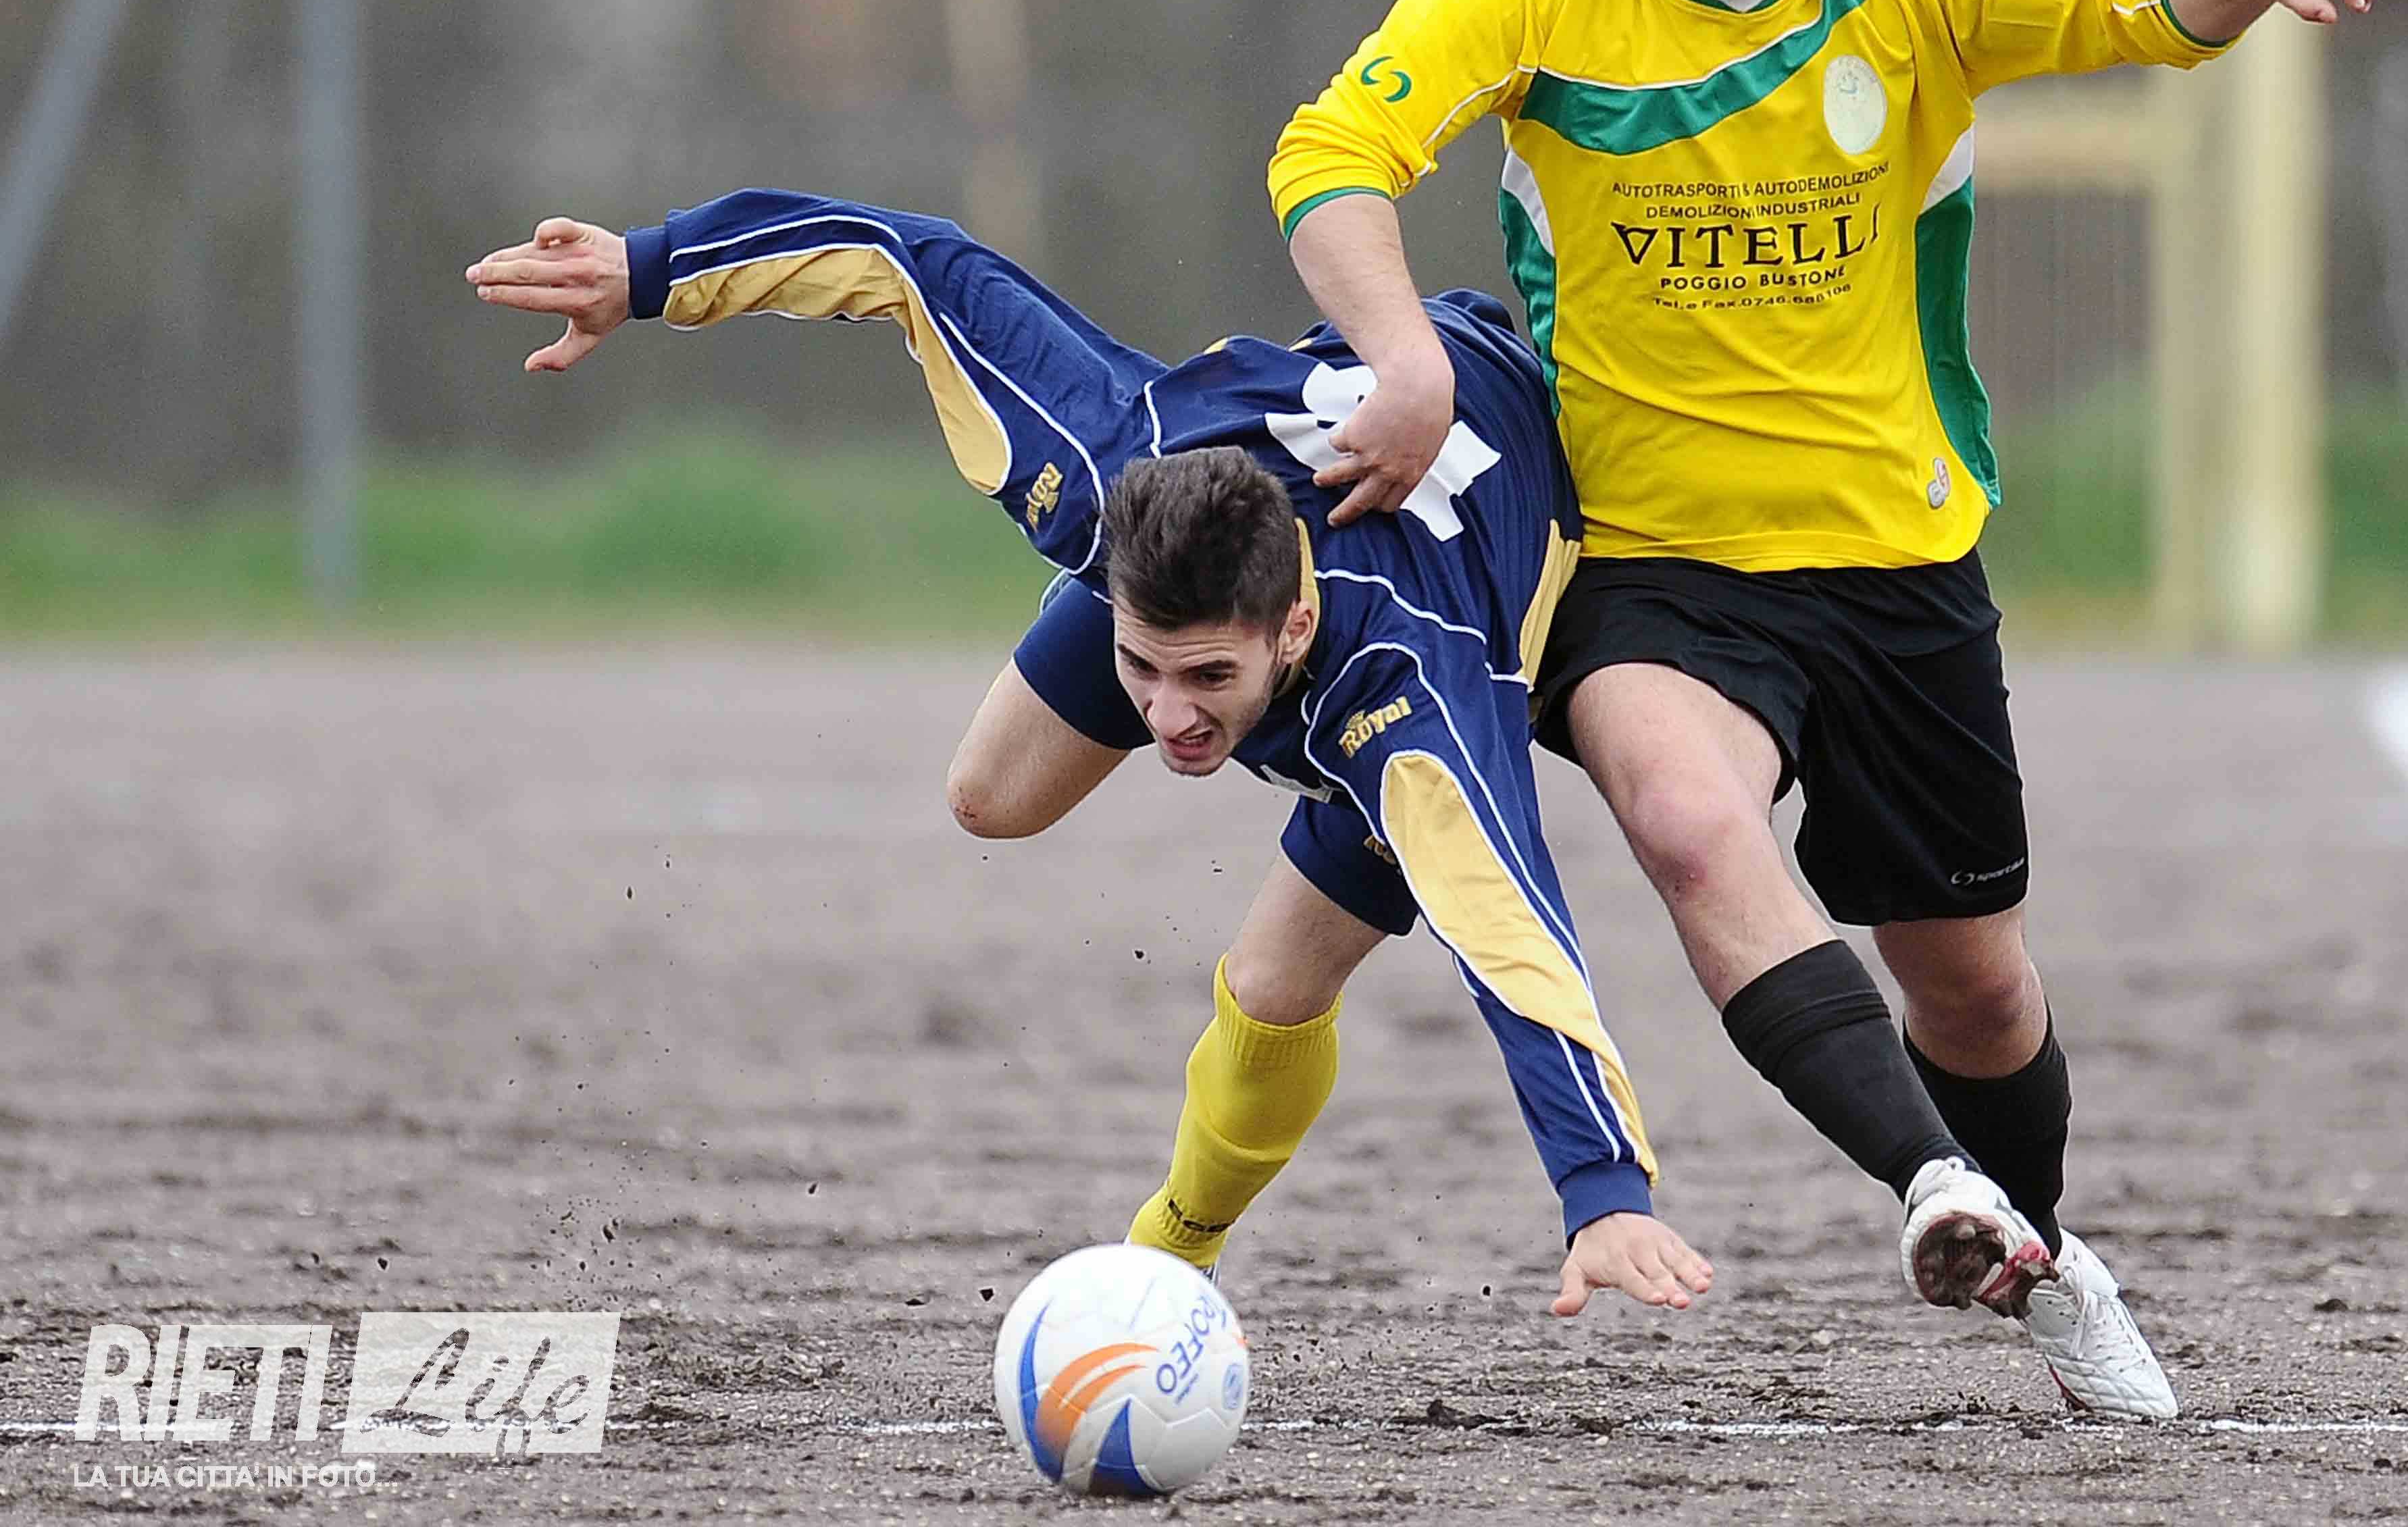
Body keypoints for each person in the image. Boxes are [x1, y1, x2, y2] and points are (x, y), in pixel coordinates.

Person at [1262, 0, 2387, 1419]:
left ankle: (2037, 1252)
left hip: (1895, 568)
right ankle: (1931, 1184)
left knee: (1979, 993)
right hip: (1652, 573)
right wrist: (1406, 357)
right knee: (1684, 819)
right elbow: (1331, 151)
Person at [465, 188, 1714, 1319]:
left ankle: (1166, 1257)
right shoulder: (1101, 462)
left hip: (1460, 543)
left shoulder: (1421, 702)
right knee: (990, 795)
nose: (1168, 719)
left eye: (1207, 679)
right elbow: (910, 260)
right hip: (1255, 483)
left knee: (1275, 985)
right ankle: (1173, 637)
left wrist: (1602, 1190)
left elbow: (1514, 940)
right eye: (1143, 668)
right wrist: (649, 271)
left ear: (1288, 629)